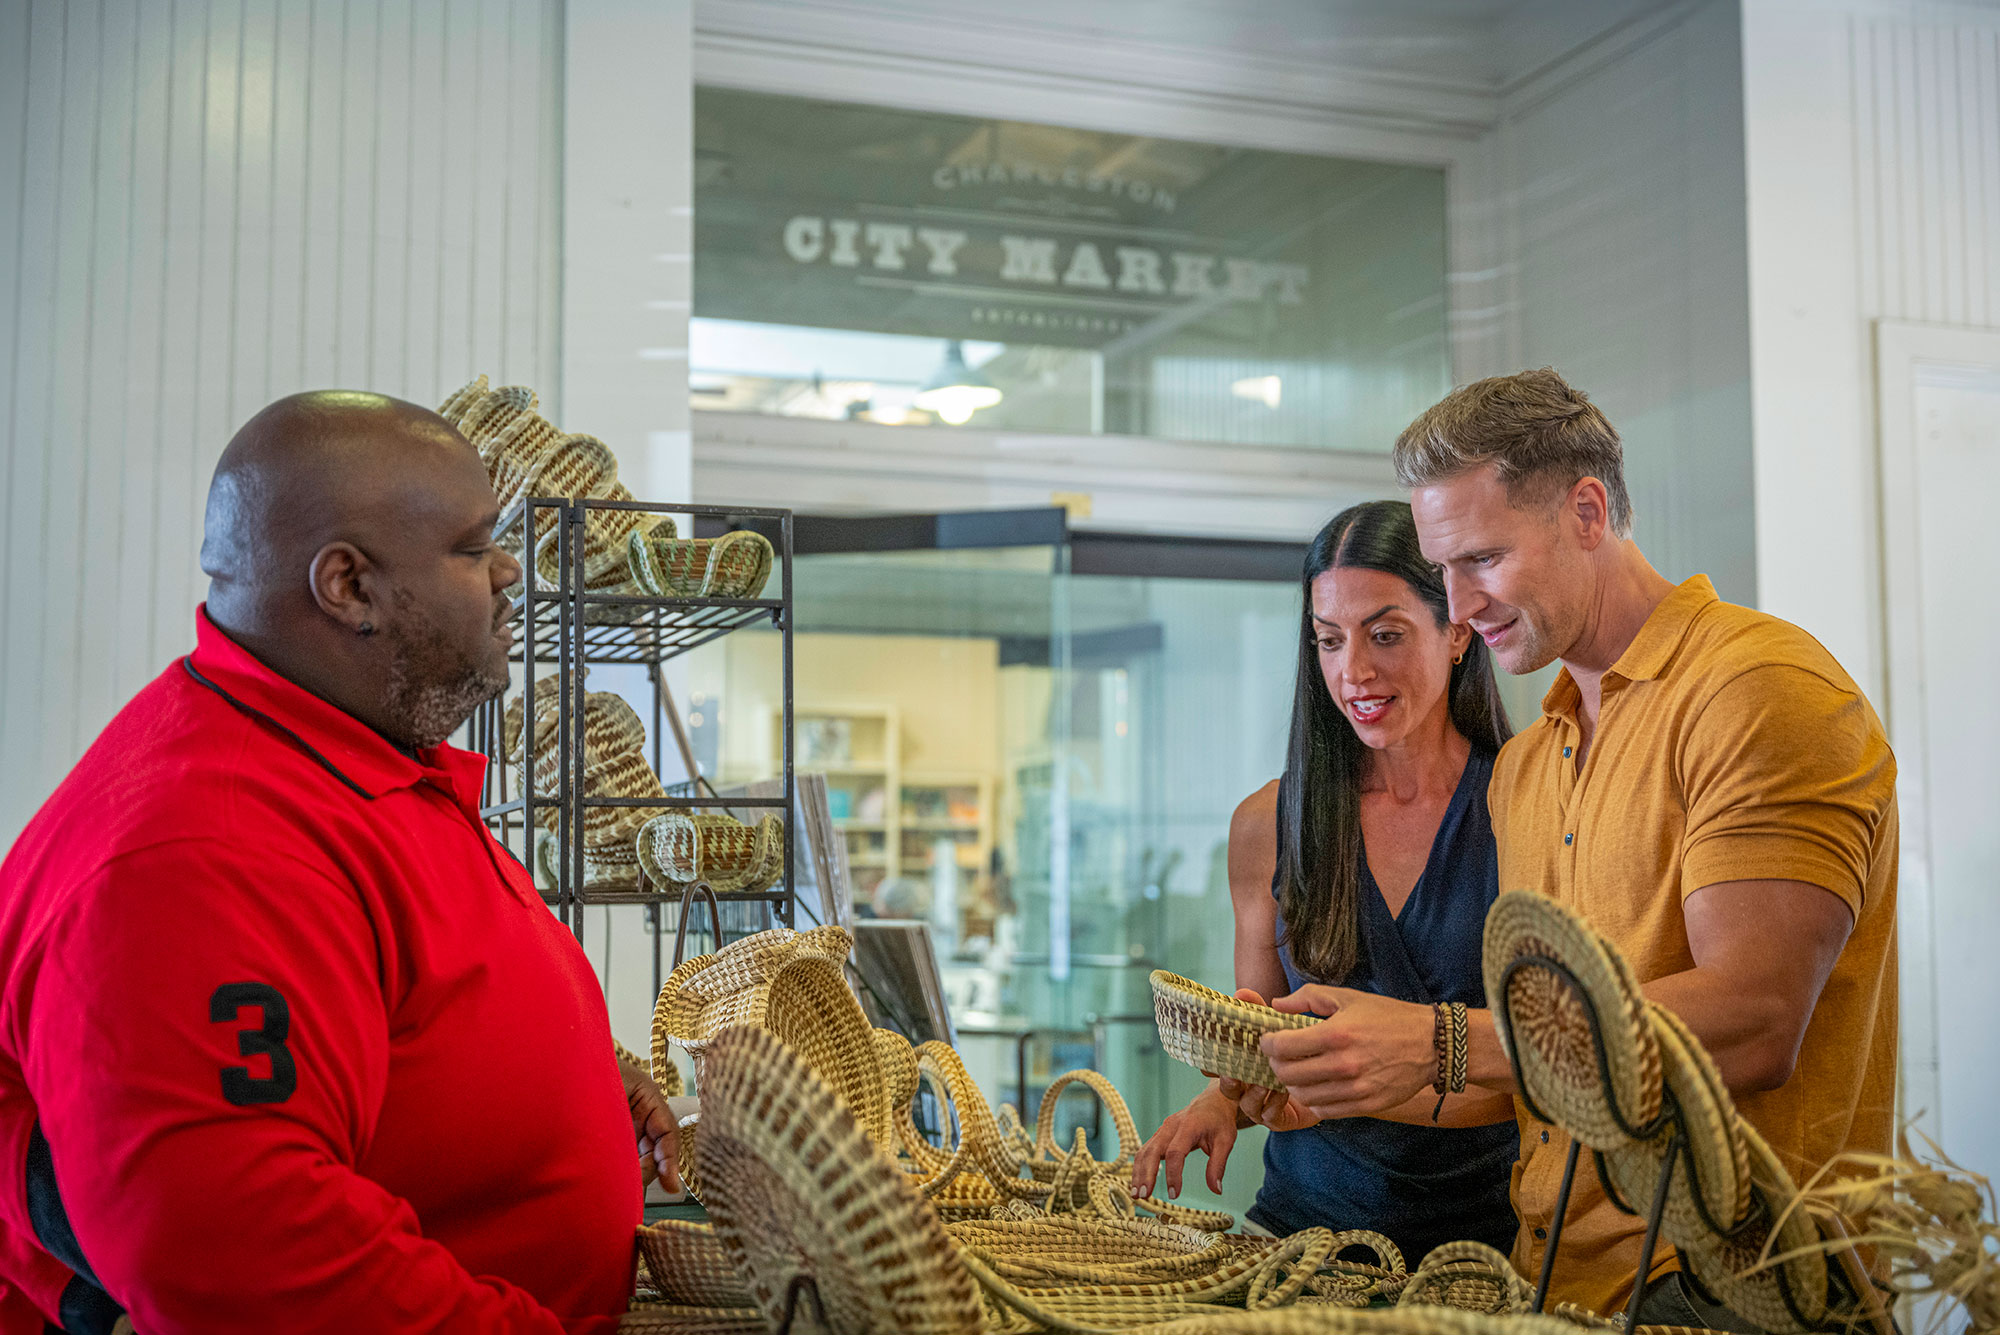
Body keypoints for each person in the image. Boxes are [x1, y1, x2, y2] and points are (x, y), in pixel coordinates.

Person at [0, 392, 680, 1333]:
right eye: (475, 547)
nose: (509, 571)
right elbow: (251, 1255)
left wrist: (577, 1079)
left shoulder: (352, 746)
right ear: (349, 586)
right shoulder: (211, 848)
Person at [1255, 369, 1897, 1328]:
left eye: (1482, 559)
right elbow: (1548, 1069)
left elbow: (1755, 1016)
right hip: (1558, 1280)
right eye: (1445, 573)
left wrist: (1436, 1040)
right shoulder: (1533, 761)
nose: (1461, 605)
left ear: (1588, 510)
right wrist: (1364, 1077)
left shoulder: (1758, 689)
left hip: (1736, 1285)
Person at [1130, 500, 1521, 1265]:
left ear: (1458, 630)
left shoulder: (1528, 802)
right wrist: (1224, 1098)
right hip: (1298, 1239)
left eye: (1385, 634)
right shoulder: (1265, 824)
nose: (1355, 672)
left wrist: (1364, 1080)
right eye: (1329, 641)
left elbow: (1548, 1072)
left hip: (1491, 1251)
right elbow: (1267, 1050)